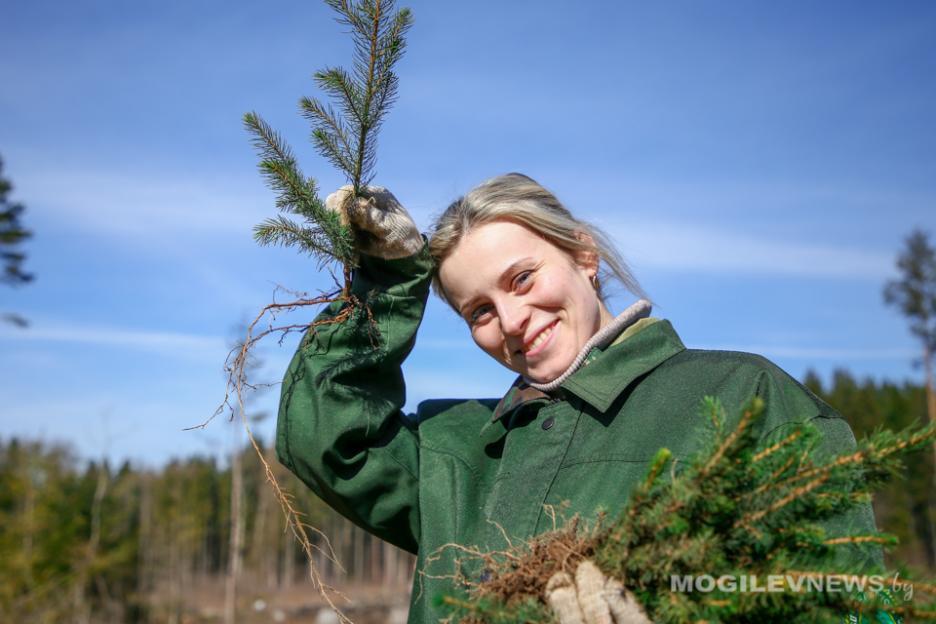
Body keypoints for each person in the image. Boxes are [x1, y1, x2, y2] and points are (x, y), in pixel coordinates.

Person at [275, 173, 879, 624]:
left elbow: (851, 605)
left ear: (584, 256)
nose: (510, 320)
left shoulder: (740, 394)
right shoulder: (459, 449)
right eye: (479, 311)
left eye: (522, 279)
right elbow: (328, 439)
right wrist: (386, 284)